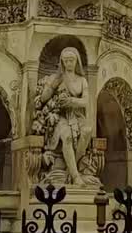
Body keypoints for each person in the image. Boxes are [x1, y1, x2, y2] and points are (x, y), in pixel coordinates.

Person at [33, 47, 90, 184]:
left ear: (77, 61)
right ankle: (76, 177)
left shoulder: (82, 80)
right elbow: (43, 99)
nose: (69, 63)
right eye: (66, 61)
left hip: (76, 115)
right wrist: (53, 86)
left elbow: (86, 101)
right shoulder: (56, 78)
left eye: (71, 60)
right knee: (67, 136)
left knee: (87, 131)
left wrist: (72, 101)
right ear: (62, 62)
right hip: (59, 115)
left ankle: (71, 169)